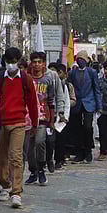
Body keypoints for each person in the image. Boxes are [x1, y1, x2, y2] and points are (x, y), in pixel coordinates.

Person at [0, 47, 38, 209]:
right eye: (8, 61)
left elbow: (32, 104)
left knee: (16, 157)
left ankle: (16, 192)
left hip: (19, 122)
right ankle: (5, 185)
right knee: (1, 158)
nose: (11, 65)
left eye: (14, 62)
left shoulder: (26, 79)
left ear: (19, 61)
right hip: (2, 123)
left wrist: (35, 124)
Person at [24, 52, 69, 186]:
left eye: (39, 62)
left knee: (40, 142)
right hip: (27, 116)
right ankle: (33, 171)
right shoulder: (26, 77)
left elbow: (58, 95)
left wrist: (60, 112)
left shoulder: (51, 76)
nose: (36, 65)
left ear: (44, 63)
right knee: (29, 146)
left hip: (44, 115)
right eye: (34, 62)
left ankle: (42, 168)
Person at [67, 53, 100, 163]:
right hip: (76, 104)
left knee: (87, 127)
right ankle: (78, 152)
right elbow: (70, 87)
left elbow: (96, 89)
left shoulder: (92, 72)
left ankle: (88, 151)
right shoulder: (72, 72)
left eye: (82, 59)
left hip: (89, 103)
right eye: (78, 59)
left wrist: (98, 105)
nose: (80, 61)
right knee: (76, 128)